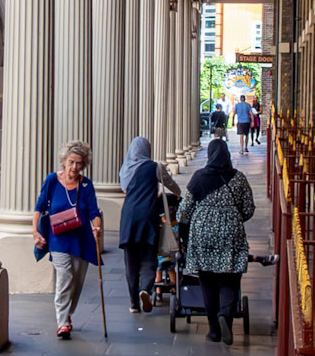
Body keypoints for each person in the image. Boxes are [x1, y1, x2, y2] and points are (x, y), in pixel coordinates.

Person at [176, 136, 256, 344]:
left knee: (208, 281)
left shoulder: (199, 177)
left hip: (202, 234)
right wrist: (232, 217)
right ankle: (225, 316)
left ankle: (213, 330)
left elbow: (183, 213)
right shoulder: (238, 178)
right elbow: (248, 210)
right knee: (230, 278)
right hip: (231, 233)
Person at [33, 142, 105, 339]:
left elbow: (93, 211)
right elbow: (39, 207)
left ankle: (68, 313)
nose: (74, 167)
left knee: (77, 281)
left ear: (83, 165)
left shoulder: (86, 184)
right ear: (63, 161)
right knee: (65, 277)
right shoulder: (52, 181)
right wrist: (35, 232)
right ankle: (62, 322)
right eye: (71, 162)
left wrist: (96, 226)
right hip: (58, 238)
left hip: (81, 238)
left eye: (78, 163)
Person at [117, 133, 180, 315]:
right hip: (148, 217)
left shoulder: (125, 169)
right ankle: (145, 288)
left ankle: (133, 304)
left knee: (131, 263)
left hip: (128, 218)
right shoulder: (155, 167)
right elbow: (171, 185)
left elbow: (124, 188)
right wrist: (177, 194)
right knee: (149, 259)